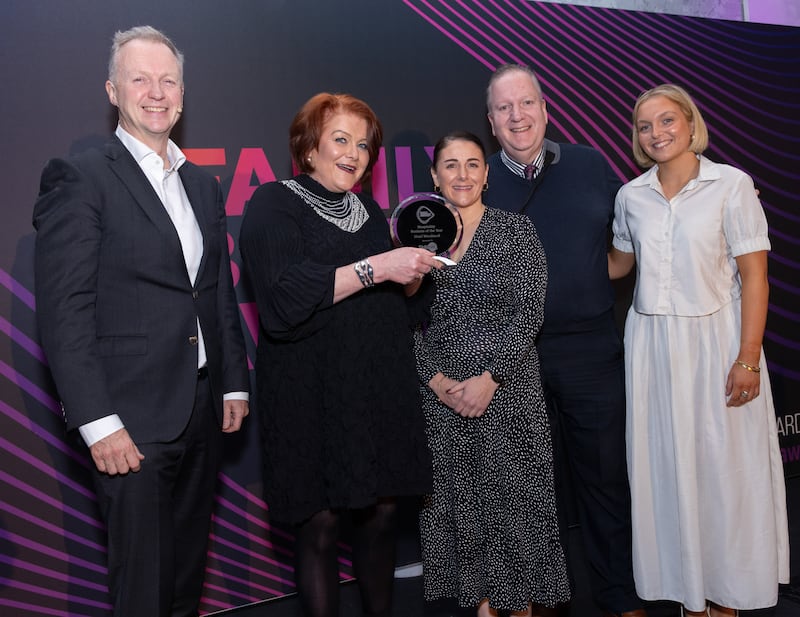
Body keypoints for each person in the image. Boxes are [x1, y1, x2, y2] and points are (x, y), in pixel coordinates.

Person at [32, 26, 250, 617]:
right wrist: (99, 424)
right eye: (140, 79)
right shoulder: (81, 177)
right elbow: (64, 312)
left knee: (184, 581)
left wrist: (230, 378)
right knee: (143, 591)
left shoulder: (202, 184)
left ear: (183, 93)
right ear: (112, 90)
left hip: (201, 410)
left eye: (169, 80)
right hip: (130, 419)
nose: (157, 92)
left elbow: (215, 292)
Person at [238, 92, 440, 617]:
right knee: (322, 526)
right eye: (341, 140)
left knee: (380, 519)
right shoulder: (272, 203)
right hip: (311, 395)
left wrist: (413, 279)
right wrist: (378, 267)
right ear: (309, 148)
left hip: (375, 390)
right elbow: (284, 298)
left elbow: (396, 308)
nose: (354, 153)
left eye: (364, 144)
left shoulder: (371, 212)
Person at [607, 83, 790, 617]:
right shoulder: (630, 195)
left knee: (723, 472)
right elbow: (617, 265)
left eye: (667, 121)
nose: (657, 133)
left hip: (718, 347)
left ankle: (727, 597)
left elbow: (756, 278)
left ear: (690, 123)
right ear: (637, 138)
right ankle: (690, 595)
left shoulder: (732, 186)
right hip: (652, 350)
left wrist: (747, 357)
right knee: (667, 471)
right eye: (645, 126)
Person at [483, 63, 644, 617]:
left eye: (525, 103)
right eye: (504, 108)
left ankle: (620, 597)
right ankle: (546, 600)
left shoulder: (588, 163)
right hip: (514, 358)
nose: (517, 116)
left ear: (545, 109)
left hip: (591, 351)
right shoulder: (477, 179)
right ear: (491, 121)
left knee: (605, 482)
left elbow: (642, 218)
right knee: (530, 491)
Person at [414, 131, 570, 617]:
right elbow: (402, 322)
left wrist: (490, 378)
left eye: (473, 164)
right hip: (442, 403)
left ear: (486, 173)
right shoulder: (414, 238)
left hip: (510, 397)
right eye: (451, 165)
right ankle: (480, 606)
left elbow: (529, 312)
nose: (463, 174)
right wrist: (438, 382)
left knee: (514, 513)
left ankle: (517, 606)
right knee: (461, 511)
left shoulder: (516, 231)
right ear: (434, 175)